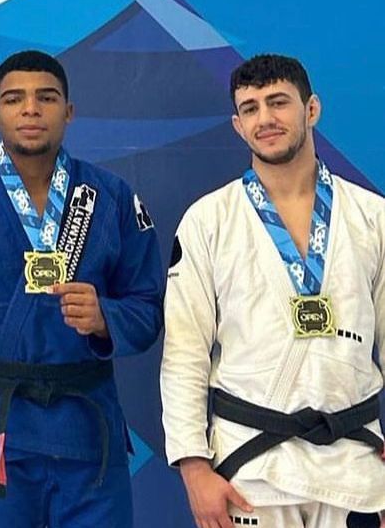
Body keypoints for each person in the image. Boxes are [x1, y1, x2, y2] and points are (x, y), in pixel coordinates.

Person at [0, 50, 164, 527]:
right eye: (14, 99)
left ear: (69, 111)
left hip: (89, 435)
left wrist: (106, 318)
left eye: (47, 98)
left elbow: (148, 309)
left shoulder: (113, 199)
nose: (31, 109)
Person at [162, 54, 385, 528]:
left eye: (278, 102)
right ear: (238, 125)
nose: (265, 118)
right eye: (250, 108)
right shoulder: (207, 221)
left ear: (312, 109)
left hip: (355, 464)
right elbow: (184, 353)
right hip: (251, 467)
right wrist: (193, 467)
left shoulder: (373, 217)